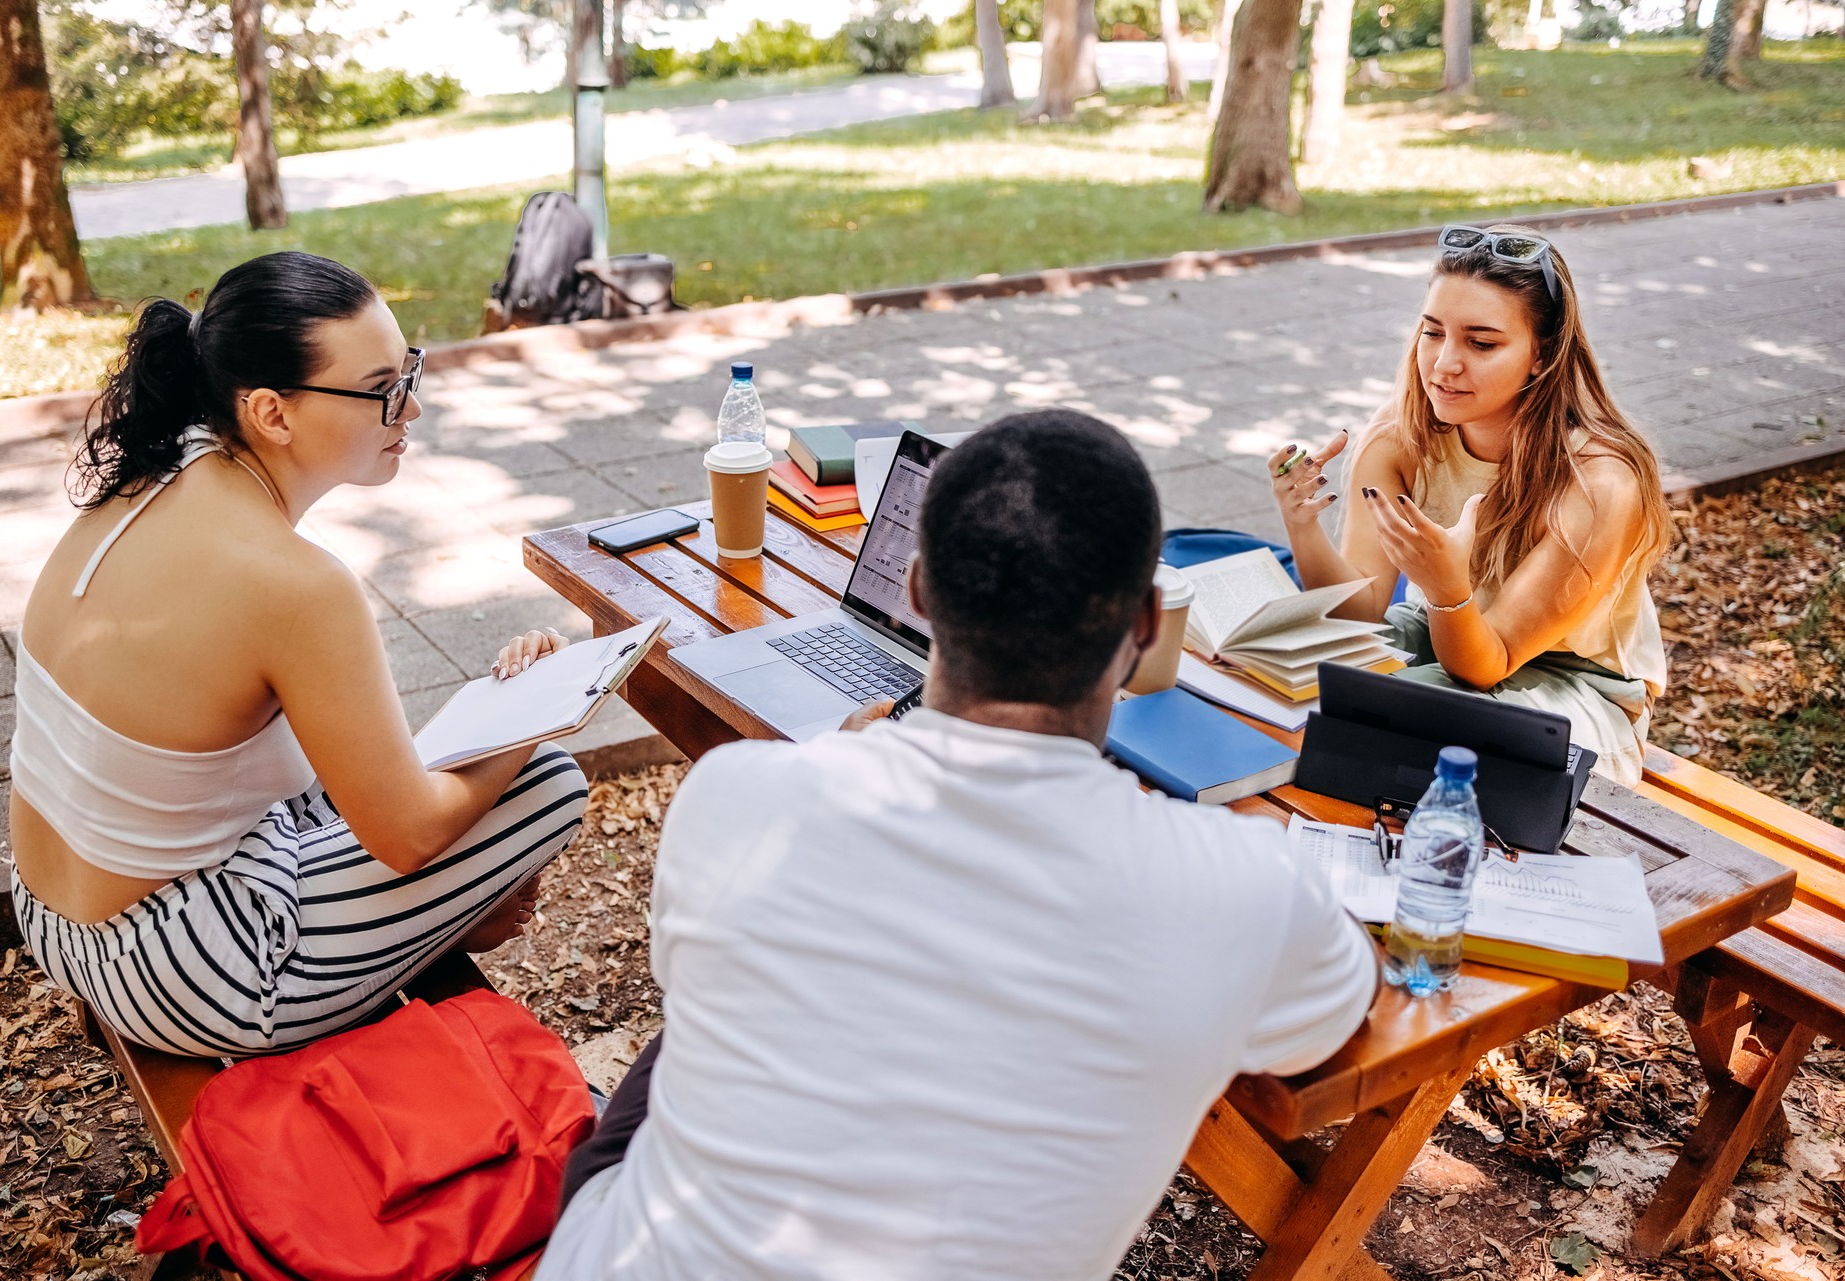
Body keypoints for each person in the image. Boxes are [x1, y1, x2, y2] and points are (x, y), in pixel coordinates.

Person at [531, 410, 1378, 1281]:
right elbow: (1338, 1012)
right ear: (1146, 627)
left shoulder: (738, 796)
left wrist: (837, 766)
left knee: (716, 1004)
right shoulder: (1247, 891)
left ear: (920, 590)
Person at [10, 251, 588, 1058]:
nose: (411, 408)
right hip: (183, 971)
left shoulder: (152, 475)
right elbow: (409, 835)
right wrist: (536, 718)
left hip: (49, 910)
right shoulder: (297, 586)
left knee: (384, 775)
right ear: (272, 414)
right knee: (549, 782)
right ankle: (446, 920)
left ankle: (443, 912)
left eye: (410, 370)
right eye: (383, 388)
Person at [1266, 224, 1670, 785]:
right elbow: (1357, 613)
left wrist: (1446, 589)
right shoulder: (1399, 435)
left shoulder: (1600, 479)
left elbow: (1488, 663)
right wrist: (1301, 522)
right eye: (1432, 333)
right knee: (1300, 670)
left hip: (1575, 683)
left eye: (1481, 343)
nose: (1444, 365)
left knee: (1363, 723)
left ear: (1541, 356)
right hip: (1447, 626)